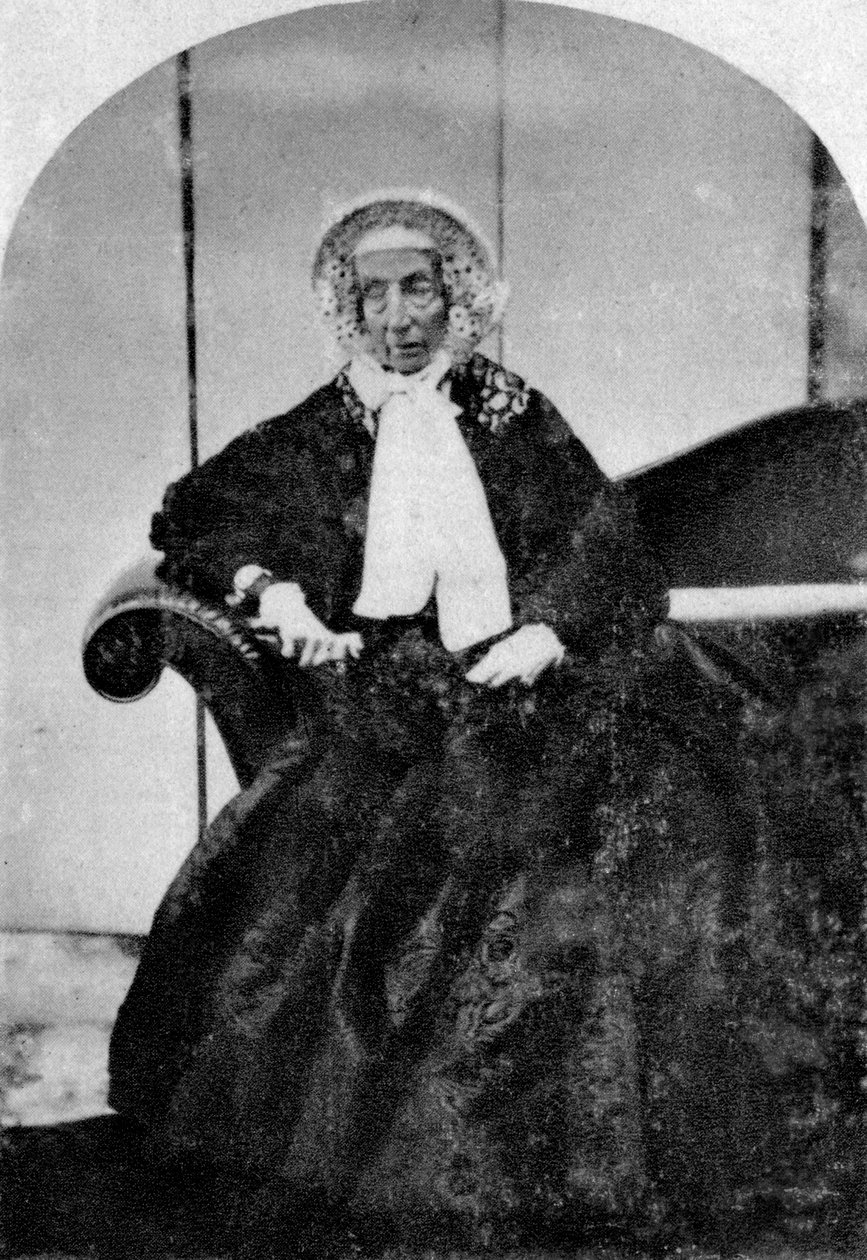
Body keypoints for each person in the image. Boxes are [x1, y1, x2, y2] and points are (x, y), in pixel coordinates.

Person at [108, 191, 861, 1257]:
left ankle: (587, 1154)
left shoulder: (510, 412)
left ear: (454, 296)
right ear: (348, 310)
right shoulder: (322, 429)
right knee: (367, 879)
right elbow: (198, 511)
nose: (398, 316)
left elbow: (606, 538)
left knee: (646, 838)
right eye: (374, 295)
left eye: (418, 289)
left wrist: (547, 632)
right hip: (400, 693)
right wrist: (273, 594)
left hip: (532, 680)